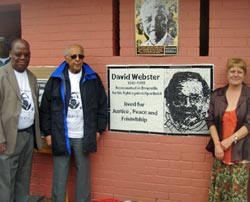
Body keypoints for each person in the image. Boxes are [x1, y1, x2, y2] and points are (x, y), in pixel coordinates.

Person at [39, 44, 108, 202]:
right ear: (66, 58)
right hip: (61, 134)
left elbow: (102, 105)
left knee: (83, 174)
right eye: (74, 56)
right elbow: (45, 108)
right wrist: (48, 133)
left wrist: (98, 130)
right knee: (60, 175)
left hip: (83, 135)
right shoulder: (56, 79)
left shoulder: (92, 78)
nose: (78, 60)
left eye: (81, 56)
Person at [0, 39, 42, 202]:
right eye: (18, 54)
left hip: (28, 135)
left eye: (26, 54)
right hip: (9, 137)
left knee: (24, 178)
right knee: (7, 181)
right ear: (10, 54)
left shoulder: (31, 77)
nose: (23, 57)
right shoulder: (2, 75)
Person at [205, 58, 250, 201]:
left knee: (237, 193)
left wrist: (229, 140)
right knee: (219, 191)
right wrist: (218, 144)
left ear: (244, 74)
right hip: (220, 153)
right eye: (232, 71)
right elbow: (210, 120)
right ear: (227, 73)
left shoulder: (249, 95)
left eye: (239, 71)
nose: (235, 74)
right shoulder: (217, 95)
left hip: (241, 153)